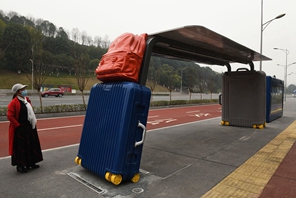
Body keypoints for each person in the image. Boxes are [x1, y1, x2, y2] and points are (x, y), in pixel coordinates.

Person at [7, 83, 43, 173]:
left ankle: (31, 162)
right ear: (17, 92)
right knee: (21, 147)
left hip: (30, 126)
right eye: (22, 89)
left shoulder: (26, 100)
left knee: (32, 144)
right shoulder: (14, 102)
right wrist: (17, 125)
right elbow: (9, 116)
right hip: (20, 128)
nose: (24, 91)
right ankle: (20, 165)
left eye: (24, 89)